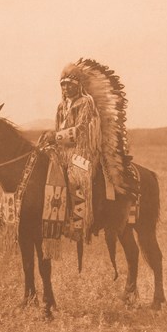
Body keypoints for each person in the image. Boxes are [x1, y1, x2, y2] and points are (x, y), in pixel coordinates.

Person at [44, 63, 103, 242]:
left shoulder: (86, 102)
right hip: (62, 151)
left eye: (70, 83)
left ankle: (79, 225)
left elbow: (82, 130)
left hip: (81, 152)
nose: (66, 87)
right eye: (63, 84)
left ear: (78, 85)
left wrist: (56, 137)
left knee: (74, 178)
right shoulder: (61, 106)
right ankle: (53, 222)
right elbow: (57, 129)